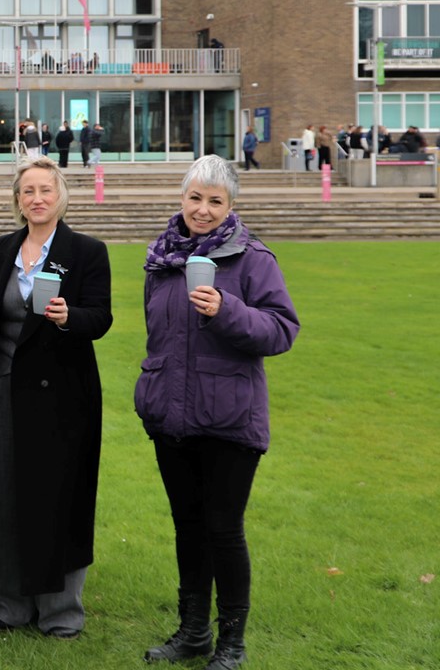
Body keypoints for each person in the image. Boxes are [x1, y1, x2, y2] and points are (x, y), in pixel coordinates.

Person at [135, 155, 299, 670]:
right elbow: (157, 333)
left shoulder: (253, 258)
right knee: (188, 525)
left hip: (229, 418)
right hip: (172, 415)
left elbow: (281, 330)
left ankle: (232, 644)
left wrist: (227, 310)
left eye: (214, 201)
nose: (202, 210)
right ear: (181, 199)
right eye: (194, 198)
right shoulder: (161, 259)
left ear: (230, 206)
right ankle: (193, 633)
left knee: (223, 528)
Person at [0, 155, 113, 640]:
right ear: (17, 199)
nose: (37, 198)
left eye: (46, 190)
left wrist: (70, 317)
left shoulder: (87, 251)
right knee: (2, 495)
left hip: (62, 399)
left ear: (61, 196)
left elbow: (102, 319)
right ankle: (3, 603)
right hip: (3, 392)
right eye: (28, 191)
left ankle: (59, 611)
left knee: (57, 499)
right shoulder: (0, 248)